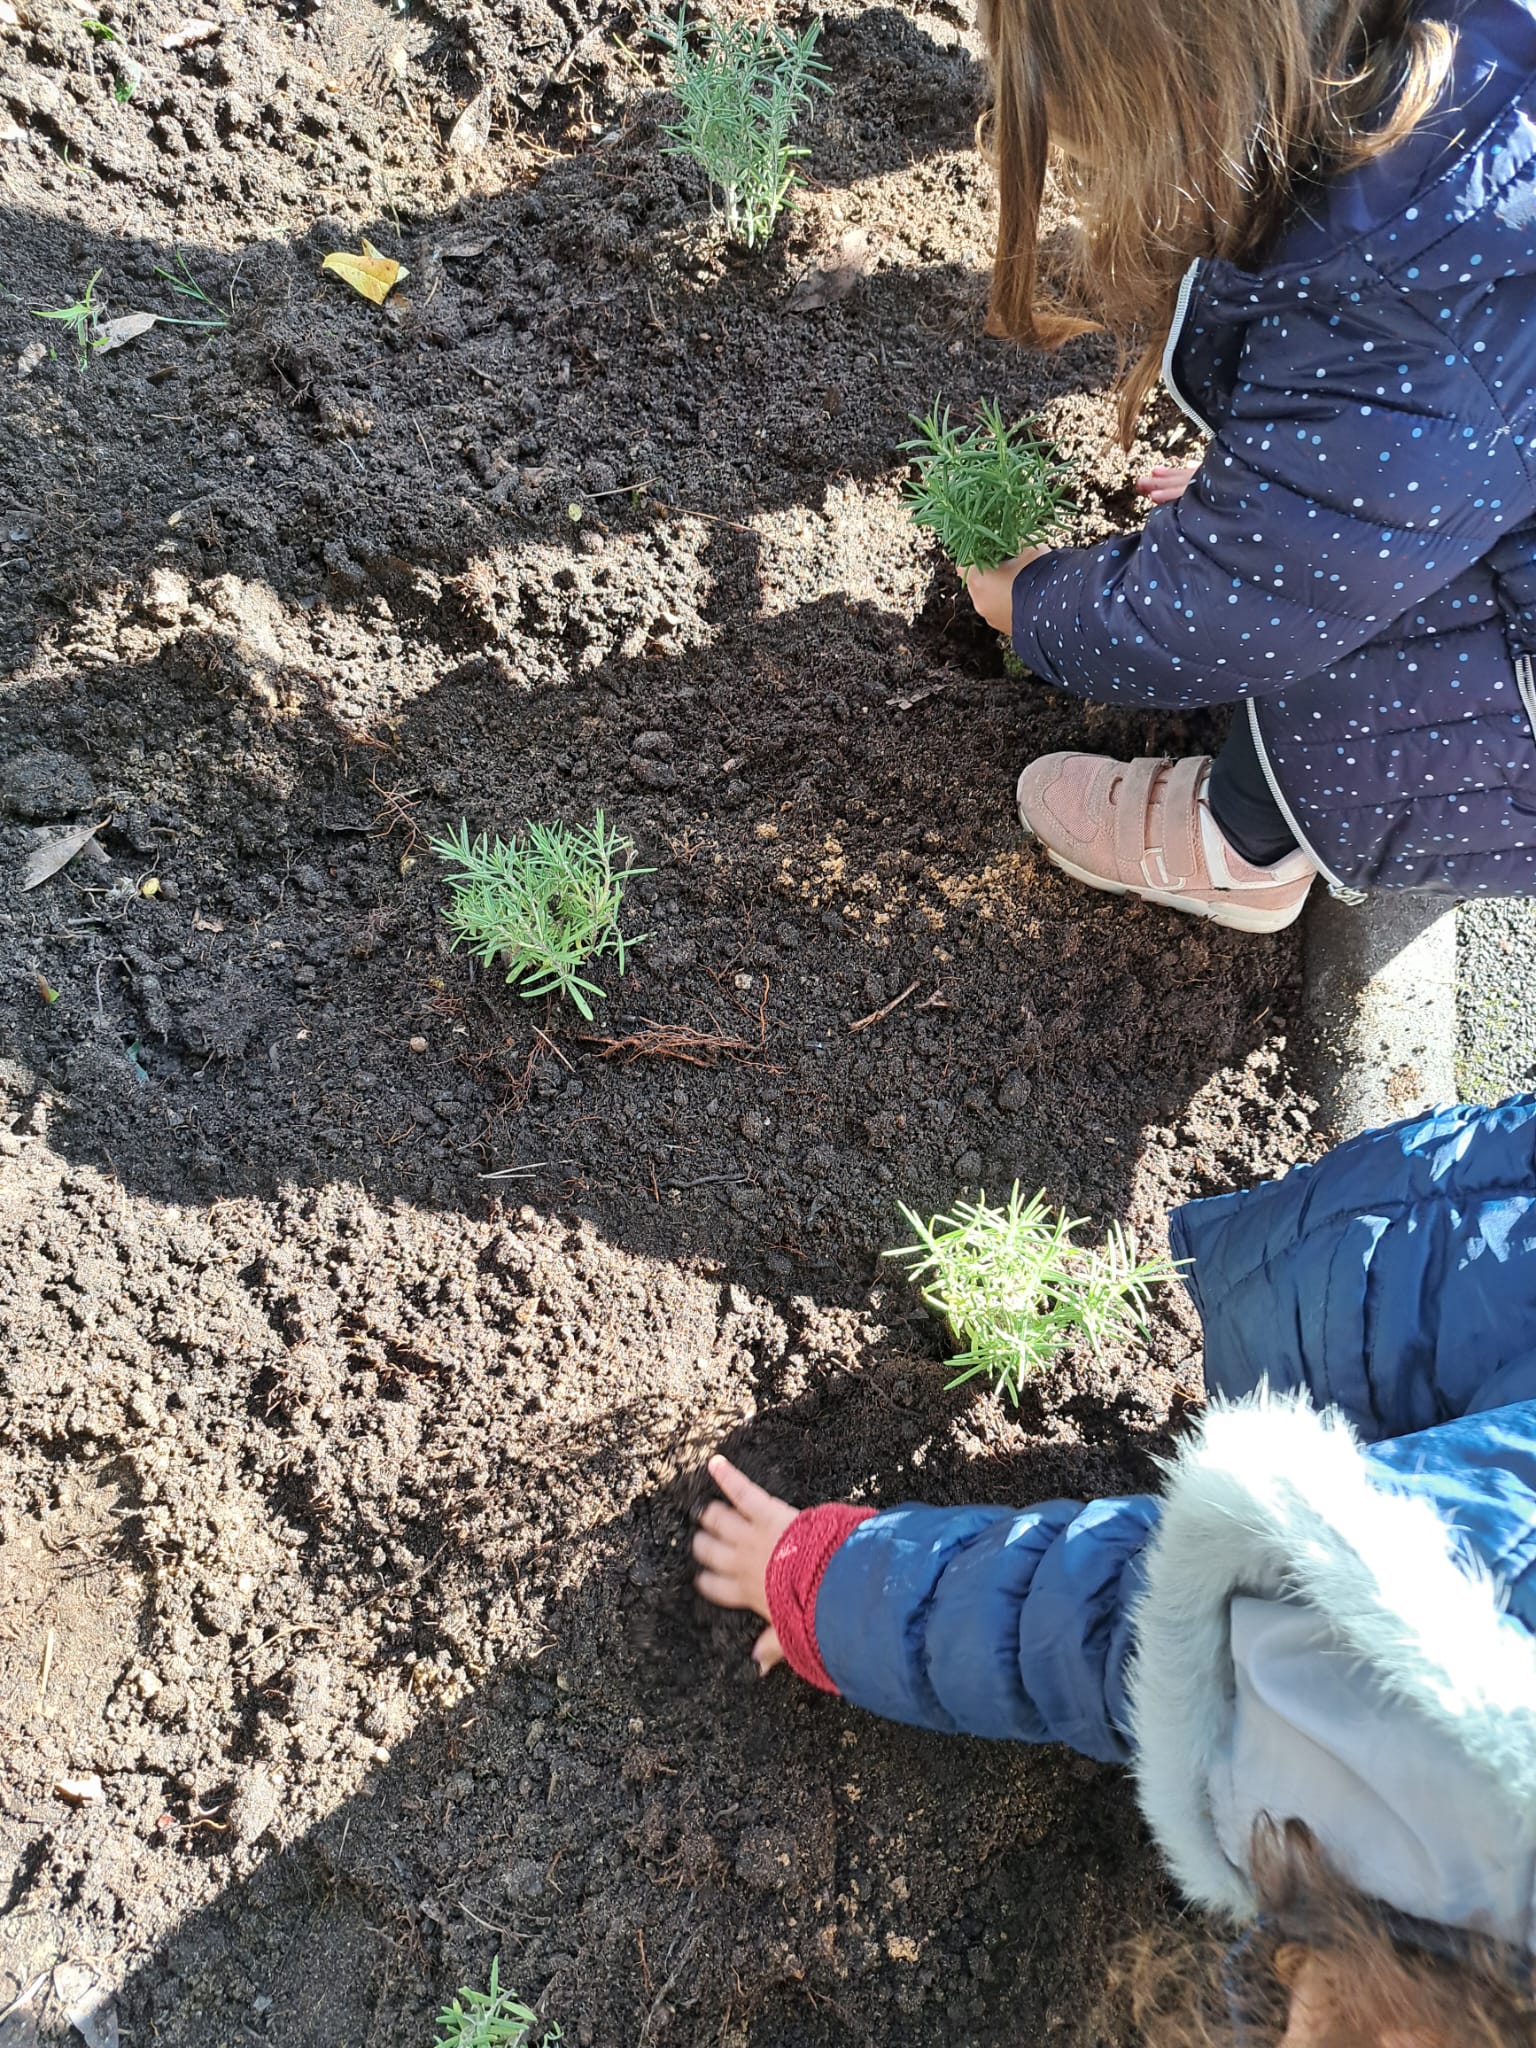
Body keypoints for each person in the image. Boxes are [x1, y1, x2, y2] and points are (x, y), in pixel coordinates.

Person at [692, 1097, 1536, 2045]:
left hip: (1459, 1266)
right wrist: (827, 1589)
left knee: (1343, 1313)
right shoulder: (1369, 1723)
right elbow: (1086, 1619)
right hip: (1451, 1262)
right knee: (1343, 1315)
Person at [959, 0, 1536, 931]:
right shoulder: (1460, 87)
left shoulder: (1395, 302)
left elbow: (1224, 615)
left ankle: (1243, 844)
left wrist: (1034, 609)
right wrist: (1325, 485)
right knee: (1321, 545)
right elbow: (1448, 422)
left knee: (1305, 613)